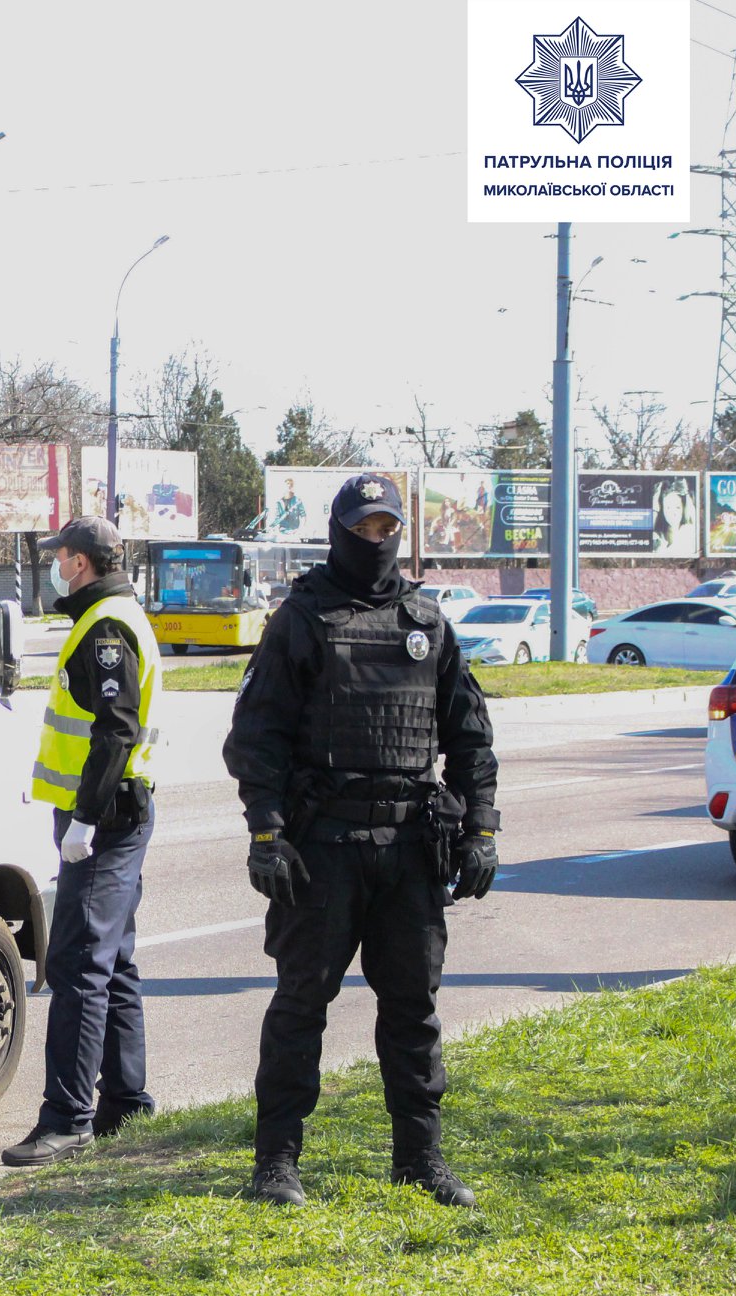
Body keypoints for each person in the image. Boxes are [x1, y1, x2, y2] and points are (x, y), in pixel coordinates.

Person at [223, 473, 500, 1210]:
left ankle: (420, 1159)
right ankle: (275, 1163)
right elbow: (257, 739)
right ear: (339, 531)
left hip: (410, 850)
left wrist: (482, 828)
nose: (375, 540)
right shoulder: (303, 618)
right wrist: (266, 832)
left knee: (414, 1010)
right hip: (324, 850)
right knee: (299, 1007)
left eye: (386, 528)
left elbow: (470, 737)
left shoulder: (429, 622)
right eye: (363, 528)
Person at [2, 515, 161, 1168]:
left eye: (60, 556)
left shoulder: (106, 627)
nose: (55, 566)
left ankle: (68, 1119)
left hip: (105, 819)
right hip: (110, 813)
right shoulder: (108, 617)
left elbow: (116, 730)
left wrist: (87, 823)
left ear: (81, 563)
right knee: (113, 961)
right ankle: (125, 1105)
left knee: (75, 964)